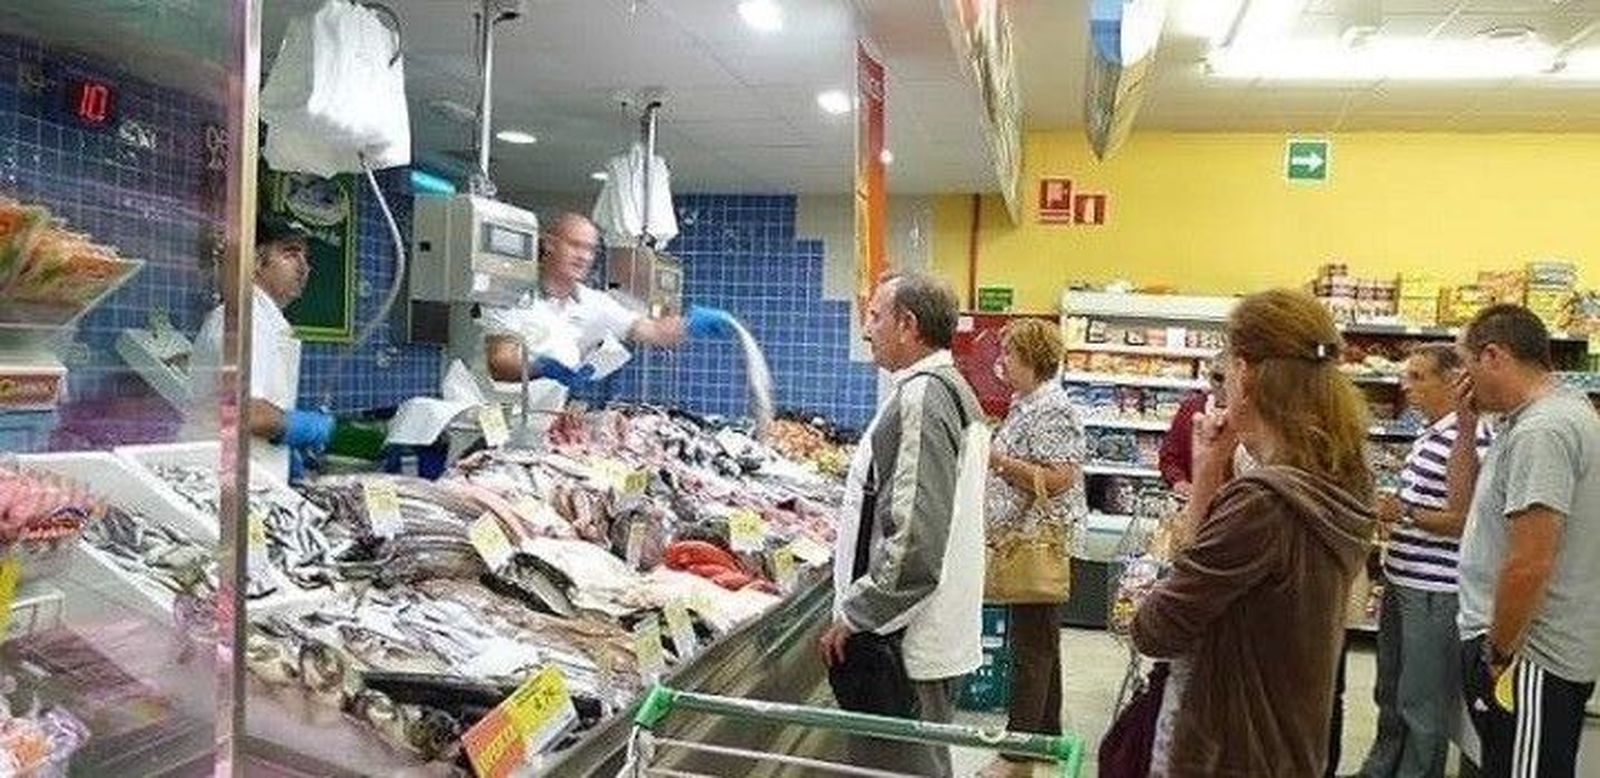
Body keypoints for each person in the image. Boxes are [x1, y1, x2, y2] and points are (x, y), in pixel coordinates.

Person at [1131, 289, 1376, 777]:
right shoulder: (1344, 480)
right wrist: (1209, 468)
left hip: (1229, 750)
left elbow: (1156, 629)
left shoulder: (1262, 504)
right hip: (1290, 742)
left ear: (1245, 373)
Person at [819, 272, 988, 778]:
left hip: (904, 644)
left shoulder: (923, 397)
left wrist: (858, 614)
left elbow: (915, 536)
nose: (865, 329)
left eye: (875, 317)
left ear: (908, 324)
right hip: (926, 633)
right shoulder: (951, 390)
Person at [1453, 304, 1600, 778]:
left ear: (1493, 356)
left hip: (1530, 656)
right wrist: (1465, 425)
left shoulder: (1543, 430)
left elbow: (1530, 561)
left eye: (1467, 363)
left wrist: (1497, 652)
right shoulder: (1539, 418)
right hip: (1532, 652)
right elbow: (1469, 512)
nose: (1463, 379)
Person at [1356, 345, 1490, 778]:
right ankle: (1381, 768)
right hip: (1402, 578)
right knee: (1390, 688)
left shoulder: (1472, 438)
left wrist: (1406, 512)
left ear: (1452, 381)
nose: (1405, 386)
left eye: (1417, 377)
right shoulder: (1429, 432)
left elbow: (1465, 521)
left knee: (1422, 698)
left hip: (1435, 589)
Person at [976, 318, 1086, 778]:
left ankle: (1016, 754)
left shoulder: (1052, 408)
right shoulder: (1027, 402)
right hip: (1021, 536)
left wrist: (998, 461)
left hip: (1036, 540)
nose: (1002, 362)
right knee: (1043, 642)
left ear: (1033, 359)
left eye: (1010, 354)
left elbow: (1060, 478)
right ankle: (1046, 737)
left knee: (1030, 649)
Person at [479, 212, 729, 386]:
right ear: (549, 245)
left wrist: (689, 324)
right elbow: (500, 363)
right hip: (485, 423)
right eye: (575, 245)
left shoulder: (593, 303)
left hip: (541, 424)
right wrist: (542, 368)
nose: (584, 256)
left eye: (590, 249)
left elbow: (651, 330)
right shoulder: (509, 294)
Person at [190, 214, 335, 481]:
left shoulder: (265, 319)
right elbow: (243, 410)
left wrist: (284, 447)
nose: (304, 267)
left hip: (252, 473)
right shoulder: (246, 317)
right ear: (256, 262)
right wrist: (303, 427)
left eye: (306, 257)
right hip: (223, 479)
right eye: (291, 254)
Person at [1159, 358, 1225, 496]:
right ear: (1210, 378)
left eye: (1231, 379)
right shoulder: (1190, 408)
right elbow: (1169, 456)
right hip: (1194, 496)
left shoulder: (1255, 414)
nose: (1224, 386)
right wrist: (1179, 482)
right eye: (1219, 378)